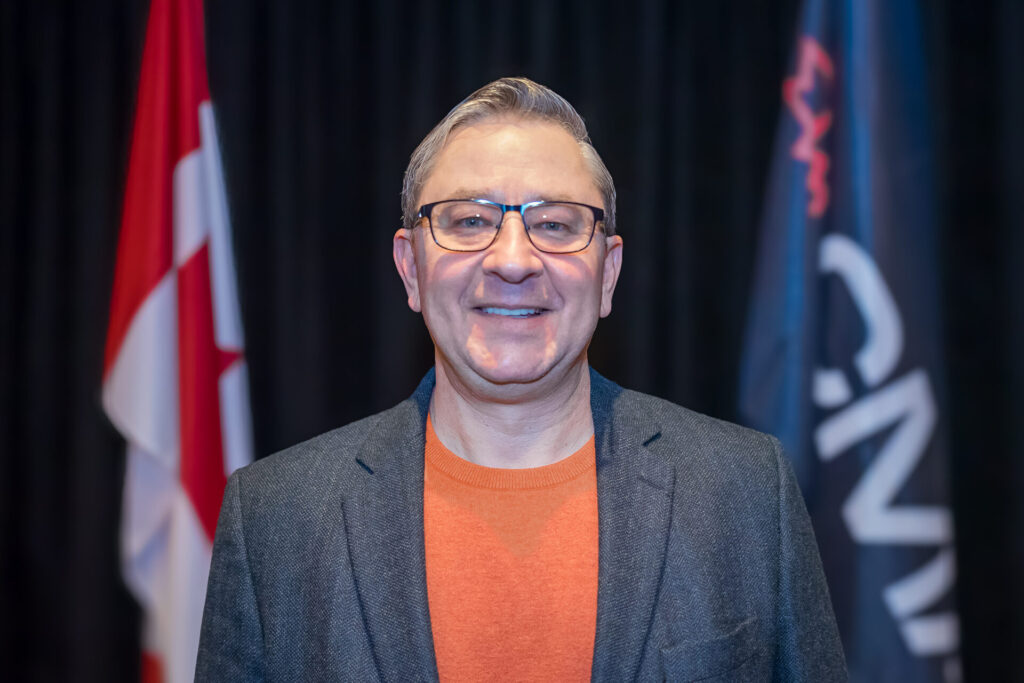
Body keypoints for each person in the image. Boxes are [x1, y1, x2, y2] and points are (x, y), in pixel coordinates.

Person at [196, 77, 846, 682]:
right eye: (469, 221)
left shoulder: (745, 491)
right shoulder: (276, 517)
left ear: (608, 273)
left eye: (555, 224)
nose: (512, 260)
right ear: (411, 268)